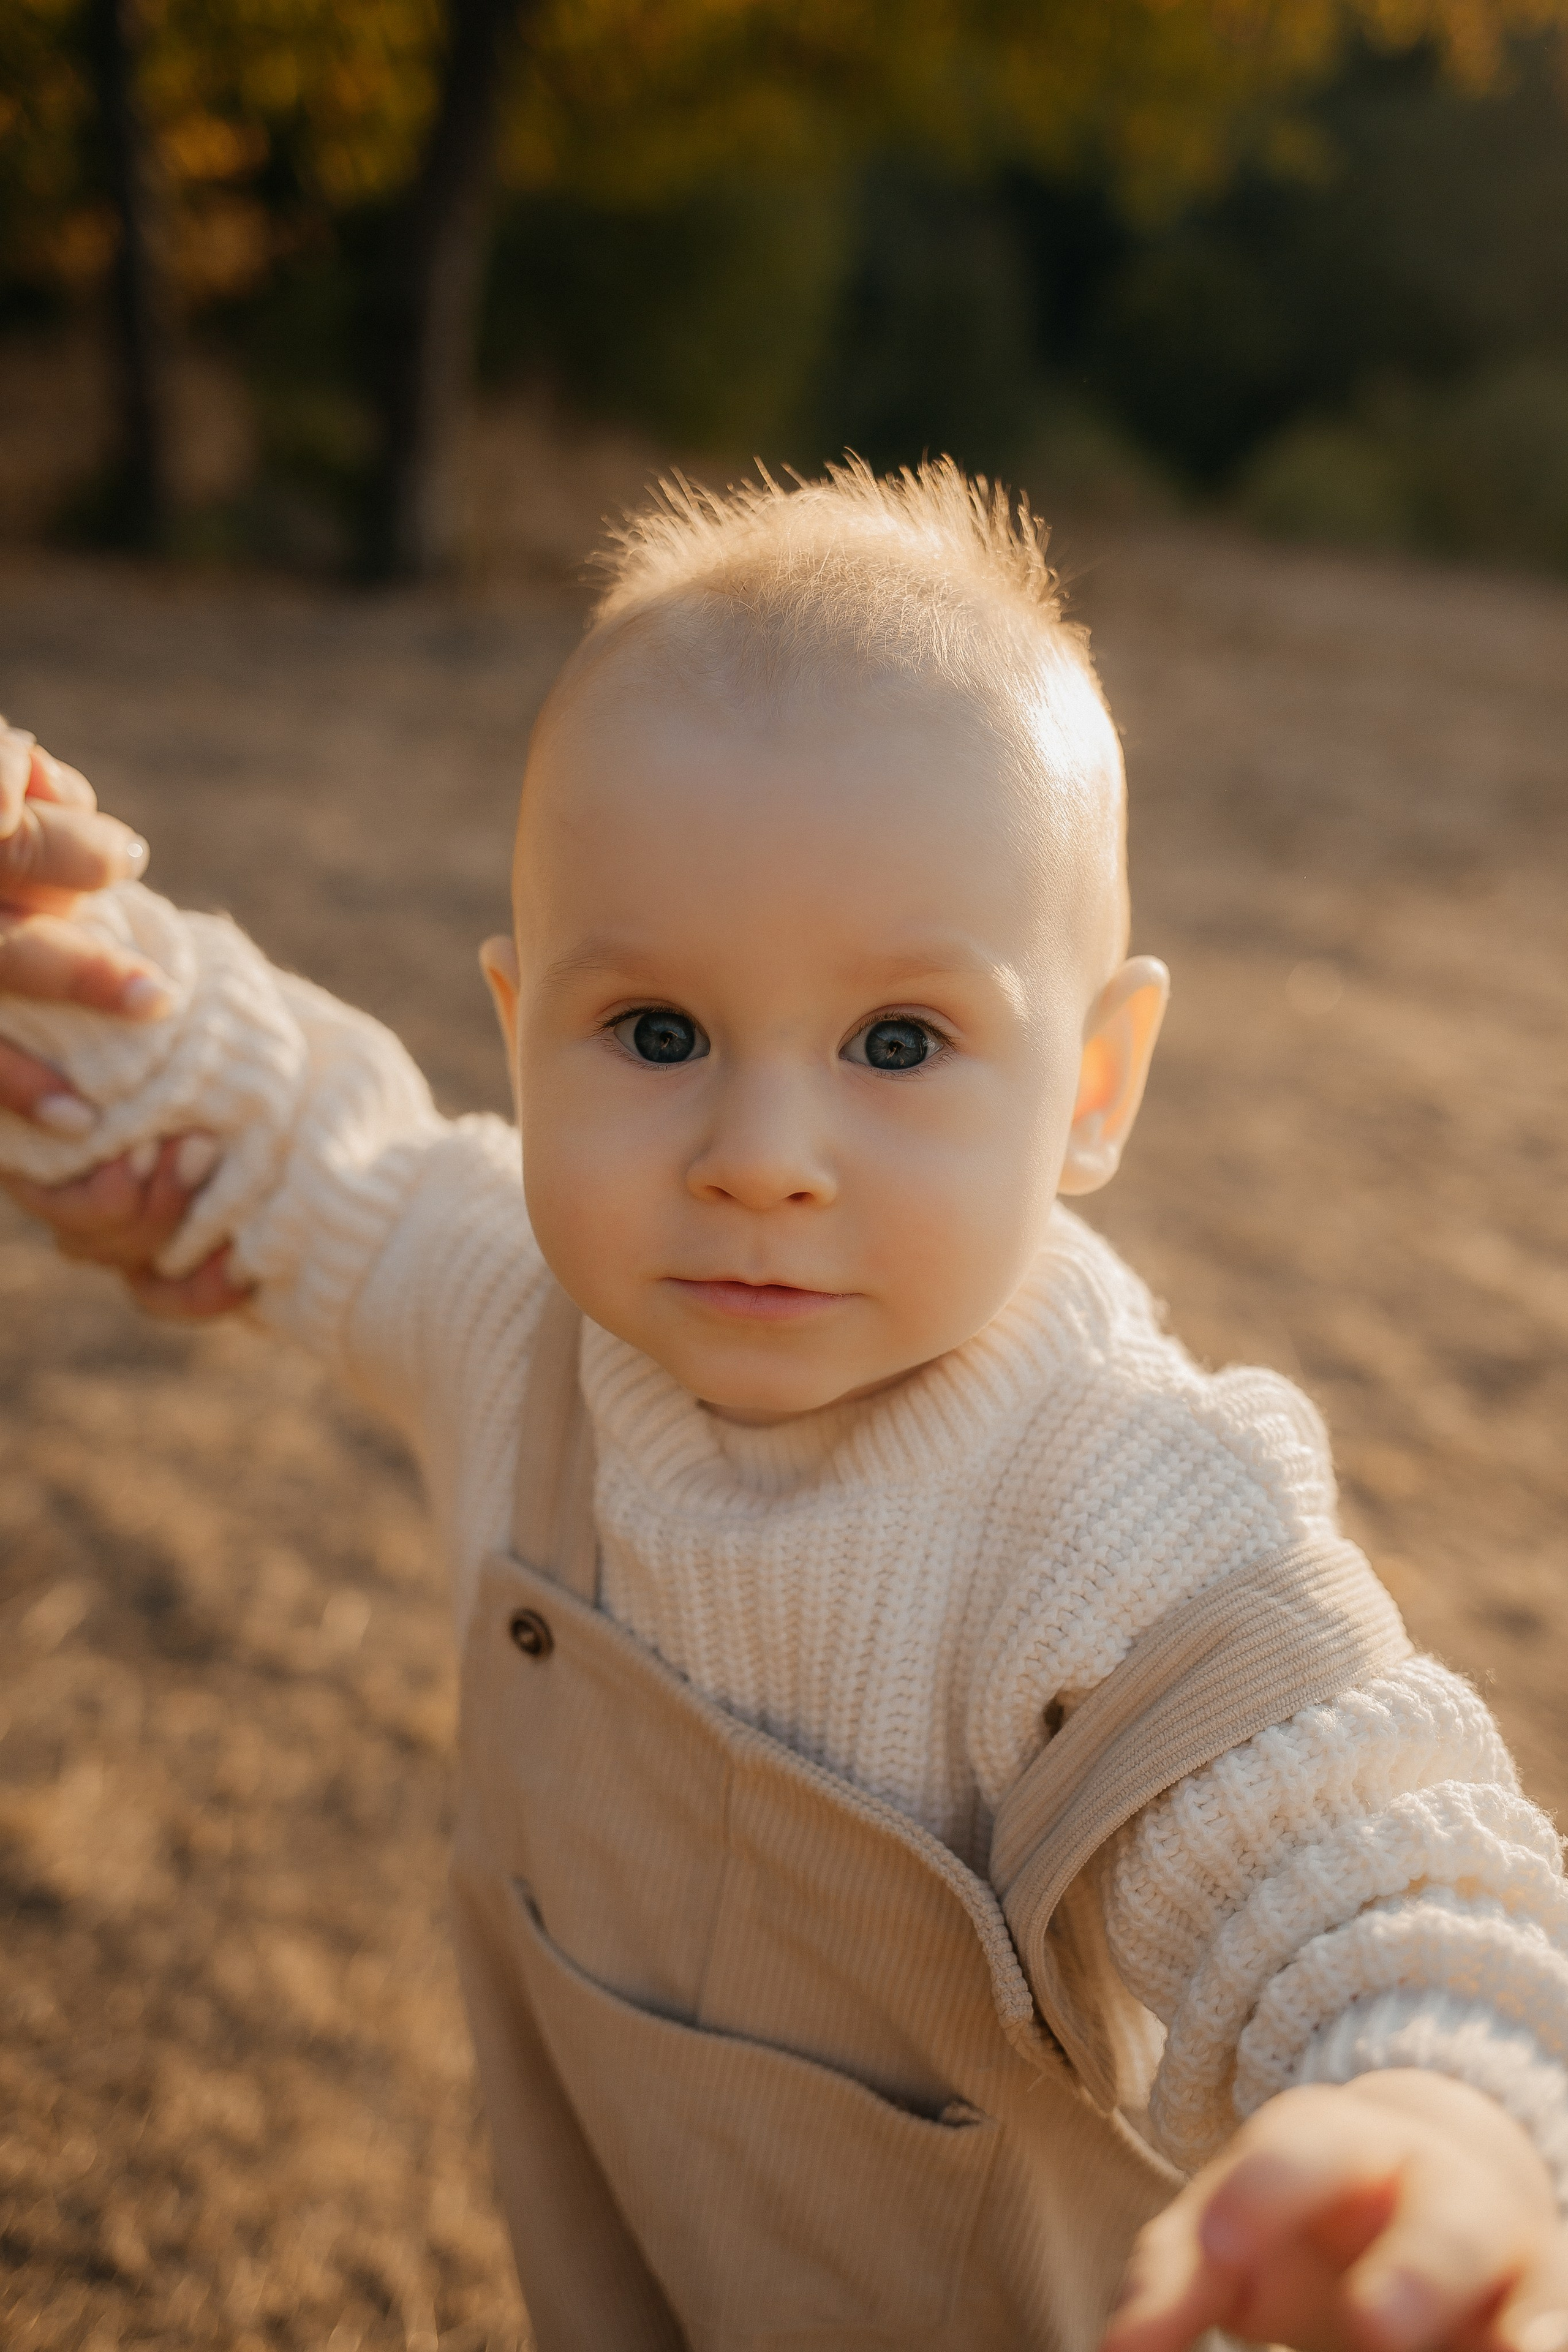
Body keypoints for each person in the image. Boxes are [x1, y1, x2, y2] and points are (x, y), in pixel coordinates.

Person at [2, 461, 1566, 2352]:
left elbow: (1364, 1869)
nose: (761, 1156)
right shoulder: (506, 1313)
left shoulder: (1116, 1509)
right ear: (520, 1034)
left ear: (1092, 1083)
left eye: (898, 1041)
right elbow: (259, 1111)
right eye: (654, 1033)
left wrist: (1437, 2115)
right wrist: (64, 952)